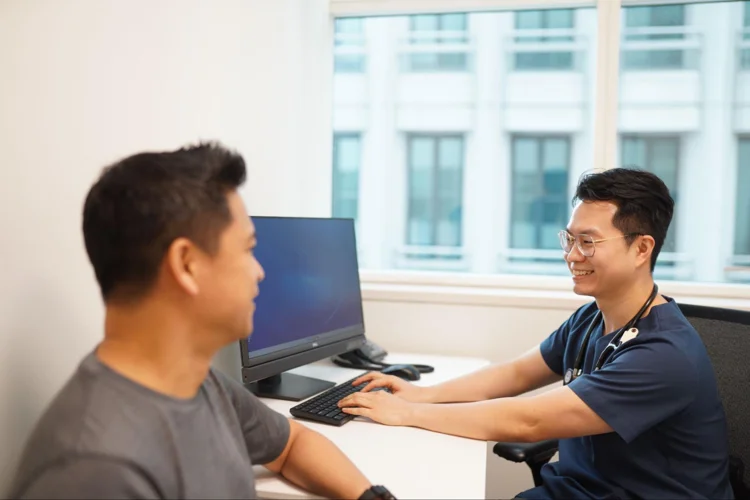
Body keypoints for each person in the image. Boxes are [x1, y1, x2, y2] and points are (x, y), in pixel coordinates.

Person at [9, 143, 394, 500]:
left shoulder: (198, 383)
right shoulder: (95, 469)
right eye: (248, 249)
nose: (259, 272)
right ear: (186, 265)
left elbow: (292, 443)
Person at [338, 168, 734, 499]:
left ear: (641, 248)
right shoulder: (593, 316)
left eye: (588, 242)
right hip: (580, 489)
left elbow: (529, 422)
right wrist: (422, 394)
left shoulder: (663, 354)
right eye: (570, 239)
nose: (572, 255)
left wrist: (409, 414)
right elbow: (514, 374)